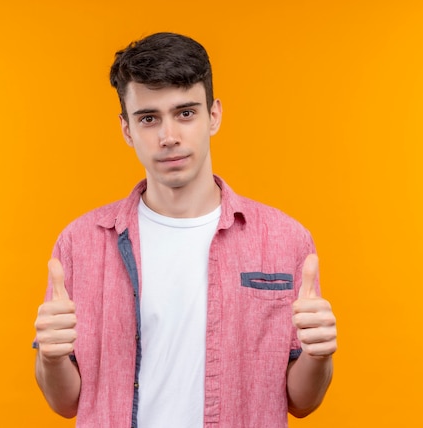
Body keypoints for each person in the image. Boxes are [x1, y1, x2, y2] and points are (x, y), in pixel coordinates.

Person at [33, 32, 337, 428]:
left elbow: (302, 402)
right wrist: (50, 358)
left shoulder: (285, 239)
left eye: (186, 113)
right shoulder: (81, 242)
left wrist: (319, 355)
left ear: (214, 115)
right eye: (148, 118)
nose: (169, 136)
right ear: (126, 129)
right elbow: (65, 403)